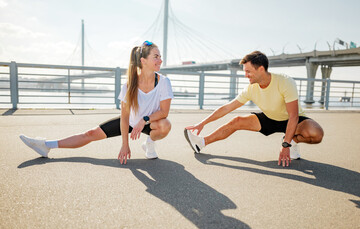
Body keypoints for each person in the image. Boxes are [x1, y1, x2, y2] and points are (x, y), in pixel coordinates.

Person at [20, 41, 173, 164]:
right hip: (130, 122)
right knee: (90, 134)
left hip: (150, 123)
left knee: (165, 125)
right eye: (156, 56)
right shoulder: (129, 85)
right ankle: (46, 145)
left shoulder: (164, 82)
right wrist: (125, 144)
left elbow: (163, 112)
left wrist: (144, 120)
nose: (160, 60)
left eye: (160, 56)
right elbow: (125, 117)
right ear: (143, 60)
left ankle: (150, 144)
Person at [184, 51, 324, 167]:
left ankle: (293, 141)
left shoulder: (285, 82)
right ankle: (201, 143)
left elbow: (293, 116)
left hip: (294, 120)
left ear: (261, 69)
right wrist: (202, 123)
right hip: (270, 118)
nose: (245, 75)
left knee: (316, 133)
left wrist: (286, 144)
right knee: (237, 121)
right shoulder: (251, 89)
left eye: (248, 71)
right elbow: (227, 108)